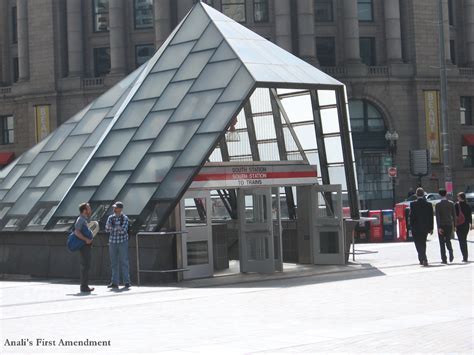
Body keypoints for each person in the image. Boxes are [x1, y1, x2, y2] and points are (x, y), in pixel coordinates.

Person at [105, 201, 131, 289]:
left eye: (115, 207)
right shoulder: (110, 217)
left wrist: (112, 228)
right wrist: (116, 228)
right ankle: (114, 282)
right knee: (114, 263)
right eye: (114, 207)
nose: (114, 209)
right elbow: (106, 229)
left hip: (122, 242)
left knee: (124, 261)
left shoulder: (125, 218)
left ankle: (126, 282)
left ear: (120, 209)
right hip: (112, 242)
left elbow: (123, 230)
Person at [409, 188, 433, 266]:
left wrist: (410, 226)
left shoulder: (413, 204)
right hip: (425, 227)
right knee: (423, 243)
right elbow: (431, 217)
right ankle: (422, 259)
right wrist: (431, 228)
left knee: (417, 243)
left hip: (416, 227)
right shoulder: (428, 204)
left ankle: (423, 258)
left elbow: (411, 216)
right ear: (423, 194)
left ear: (416, 194)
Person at [75, 202, 94, 293]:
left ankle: (85, 285)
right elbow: (76, 232)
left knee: (86, 265)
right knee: (85, 265)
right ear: (84, 210)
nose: (90, 210)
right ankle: (84, 286)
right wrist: (86, 239)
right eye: (89, 208)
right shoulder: (81, 219)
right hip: (83, 246)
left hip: (86, 246)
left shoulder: (84, 219)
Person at [435, 189, 456, 264]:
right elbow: (454, 215)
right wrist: (455, 226)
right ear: (446, 194)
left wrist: (438, 227)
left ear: (440, 195)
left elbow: (438, 217)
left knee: (441, 242)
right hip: (449, 224)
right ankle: (450, 251)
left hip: (442, 225)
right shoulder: (451, 203)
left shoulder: (438, 205)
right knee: (448, 240)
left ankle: (444, 259)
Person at [455, 192, 473, 262]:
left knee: (461, 241)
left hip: (459, 225)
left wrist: (454, 225)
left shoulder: (456, 205)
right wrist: (471, 224)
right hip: (466, 226)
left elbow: (454, 216)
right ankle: (465, 256)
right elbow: (469, 216)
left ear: (460, 197)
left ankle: (464, 256)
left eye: (458, 197)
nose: (457, 198)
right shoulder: (467, 205)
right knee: (464, 240)